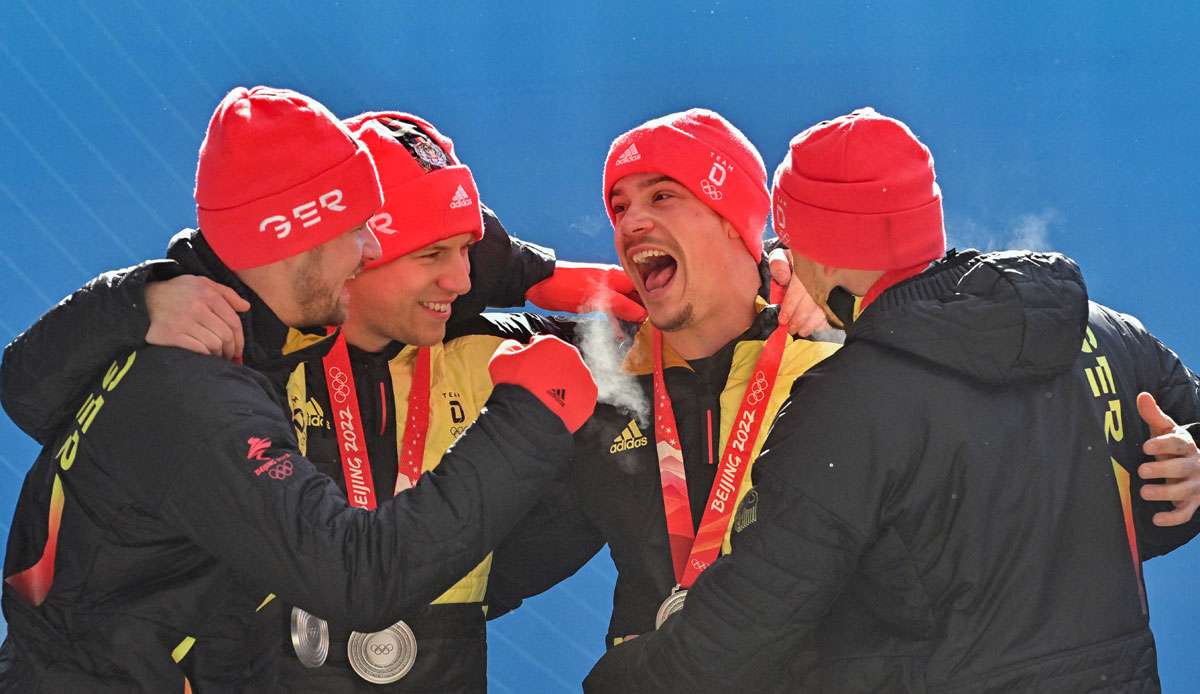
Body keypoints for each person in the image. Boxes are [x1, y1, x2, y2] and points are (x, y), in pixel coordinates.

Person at [0, 86, 598, 692]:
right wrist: (528, 415)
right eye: (359, 231)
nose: (370, 250)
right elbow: (358, 580)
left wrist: (532, 271)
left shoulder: (207, 333)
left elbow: (25, 388)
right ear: (298, 237)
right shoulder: (200, 396)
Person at [583, 107, 1200, 692]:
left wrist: (620, 678)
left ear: (823, 246)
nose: (785, 260)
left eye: (791, 240)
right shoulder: (1104, 334)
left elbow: (746, 625)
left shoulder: (844, 403)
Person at [484, 110, 841, 688]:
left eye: (663, 196)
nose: (631, 223)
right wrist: (531, 275)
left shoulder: (834, 357)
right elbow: (396, 269)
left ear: (733, 220)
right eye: (619, 207)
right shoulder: (595, 377)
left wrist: (841, 284)